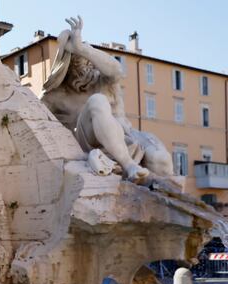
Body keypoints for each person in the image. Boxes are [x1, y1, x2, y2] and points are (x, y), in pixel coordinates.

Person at [41, 16, 173, 180]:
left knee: (161, 162)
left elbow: (117, 71)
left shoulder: (103, 80)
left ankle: (155, 186)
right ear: (67, 65)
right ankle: (129, 165)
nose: (87, 66)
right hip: (90, 141)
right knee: (98, 101)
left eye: (89, 61)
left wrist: (82, 48)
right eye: (79, 62)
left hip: (127, 135)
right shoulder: (55, 97)